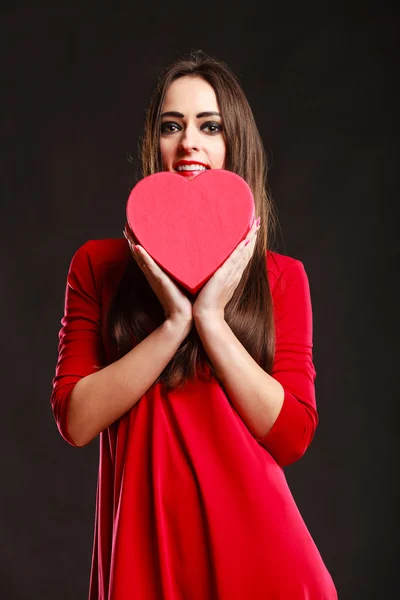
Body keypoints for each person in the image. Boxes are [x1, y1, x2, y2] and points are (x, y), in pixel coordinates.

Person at [50, 51, 338, 599]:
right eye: (171, 126)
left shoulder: (281, 278)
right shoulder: (98, 266)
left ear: (235, 145)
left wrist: (210, 318)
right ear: (153, 145)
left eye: (210, 126)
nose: (189, 143)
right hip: (144, 555)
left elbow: (292, 436)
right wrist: (174, 322)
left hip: (261, 558)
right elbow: (77, 420)